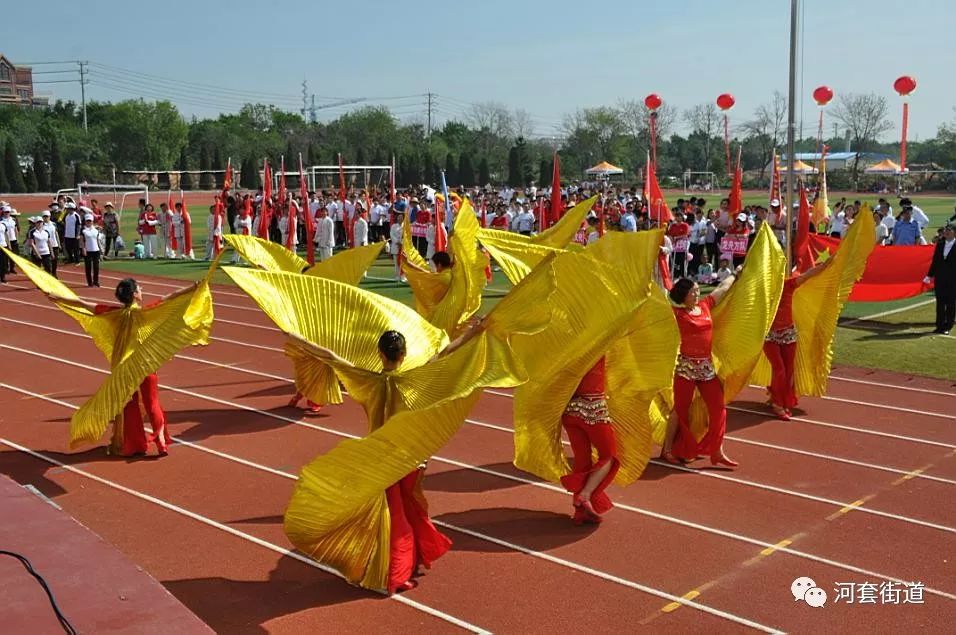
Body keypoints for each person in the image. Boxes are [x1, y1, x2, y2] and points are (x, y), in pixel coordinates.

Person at [661, 273, 740, 468]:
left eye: (697, 291)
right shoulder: (676, 314)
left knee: (719, 409)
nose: (697, 294)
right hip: (686, 369)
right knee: (680, 410)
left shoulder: (704, 306)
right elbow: (657, 304)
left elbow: (721, 289)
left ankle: (717, 451)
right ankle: (668, 449)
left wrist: (735, 274)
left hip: (706, 369)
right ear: (684, 295)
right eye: (693, 292)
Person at [762, 262, 832, 420]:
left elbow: (809, 274)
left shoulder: (789, 284)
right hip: (769, 336)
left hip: (788, 334)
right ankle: (778, 404)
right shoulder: (764, 289)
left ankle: (777, 396)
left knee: (788, 371)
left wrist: (827, 264)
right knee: (779, 369)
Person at [560, 356, 618, 525]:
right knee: (610, 456)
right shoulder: (598, 340)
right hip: (593, 409)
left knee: (582, 460)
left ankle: (580, 513)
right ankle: (585, 494)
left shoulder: (568, 346)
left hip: (570, 411)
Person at [924, 224, 956, 335]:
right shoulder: (940, 244)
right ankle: (939, 325)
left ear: (954, 233)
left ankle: (948, 325)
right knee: (940, 303)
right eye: (946, 230)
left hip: (953, 280)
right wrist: (929, 275)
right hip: (940, 279)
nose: (946, 232)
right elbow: (935, 261)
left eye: (949, 230)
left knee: (951, 304)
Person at [80, 214, 102, 287]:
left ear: (92, 221)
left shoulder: (96, 230)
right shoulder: (83, 230)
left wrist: (101, 249)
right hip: (88, 251)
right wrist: (83, 249)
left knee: (96, 267)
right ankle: (90, 282)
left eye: (90, 221)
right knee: (88, 267)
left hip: (96, 250)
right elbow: (82, 241)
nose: (89, 222)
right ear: (85, 221)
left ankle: (96, 281)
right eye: (87, 221)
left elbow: (97, 240)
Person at [40, 210, 61, 277]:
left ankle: (54, 273)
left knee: (55, 261)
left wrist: (59, 243)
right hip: (46, 246)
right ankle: (48, 274)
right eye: (44, 217)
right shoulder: (42, 225)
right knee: (48, 262)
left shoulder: (53, 224)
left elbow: (56, 233)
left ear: (50, 216)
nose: (46, 218)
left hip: (54, 245)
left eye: (47, 216)